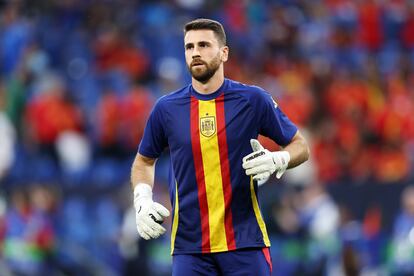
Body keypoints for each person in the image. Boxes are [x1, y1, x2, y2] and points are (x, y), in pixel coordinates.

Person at [130, 18, 309, 275]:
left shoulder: (253, 99)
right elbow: (143, 161)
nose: (196, 53)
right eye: (189, 47)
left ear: (224, 52)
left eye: (204, 45)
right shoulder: (166, 109)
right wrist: (142, 200)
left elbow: (300, 145)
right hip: (189, 250)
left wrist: (277, 160)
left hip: (245, 243)